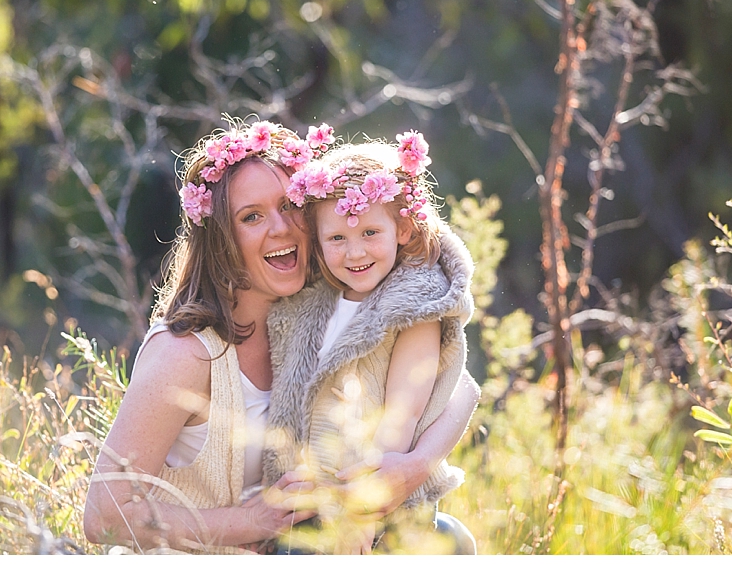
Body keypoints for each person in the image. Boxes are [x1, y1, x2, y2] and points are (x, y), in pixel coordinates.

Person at [82, 119, 479, 554]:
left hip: (312, 541)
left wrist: (416, 466)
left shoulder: (324, 313)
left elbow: (456, 388)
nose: (281, 228)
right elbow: (105, 514)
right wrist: (251, 521)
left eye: (289, 206)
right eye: (251, 217)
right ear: (222, 239)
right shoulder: (185, 355)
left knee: (451, 540)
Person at [263, 133, 477, 554]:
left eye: (370, 232)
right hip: (316, 505)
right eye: (337, 238)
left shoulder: (415, 306)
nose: (354, 252)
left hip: (386, 510)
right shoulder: (312, 302)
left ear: (401, 228)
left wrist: (363, 512)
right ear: (318, 240)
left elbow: (402, 413)